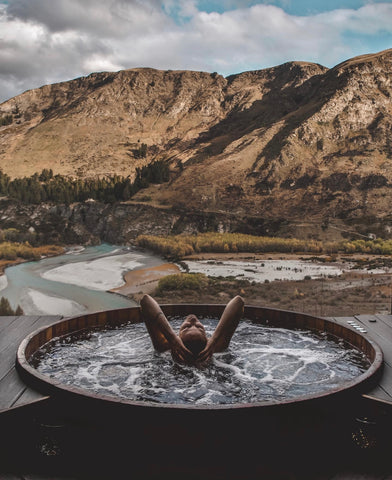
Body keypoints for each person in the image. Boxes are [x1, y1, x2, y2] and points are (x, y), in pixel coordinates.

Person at [140, 294, 244, 365]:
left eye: (187, 327)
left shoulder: (165, 347)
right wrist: (214, 340)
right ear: (207, 339)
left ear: (178, 338)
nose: (193, 320)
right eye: (199, 327)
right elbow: (238, 301)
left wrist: (172, 338)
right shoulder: (216, 348)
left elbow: (145, 300)